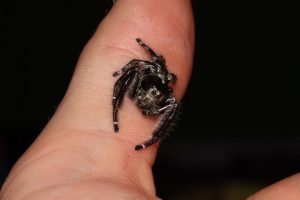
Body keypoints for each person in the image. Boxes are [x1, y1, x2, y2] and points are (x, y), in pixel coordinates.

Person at [0, 0, 299, 199]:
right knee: (139, 68)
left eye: (167, 80)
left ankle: (148, 140)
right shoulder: (143, 71)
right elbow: (133, 68)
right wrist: (116, 109)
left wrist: (149, 140)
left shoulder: (164, 94)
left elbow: (168, 90)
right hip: (141, 94)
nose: (167, 79)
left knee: (171, 103)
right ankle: (122, 117)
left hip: (153, 104)